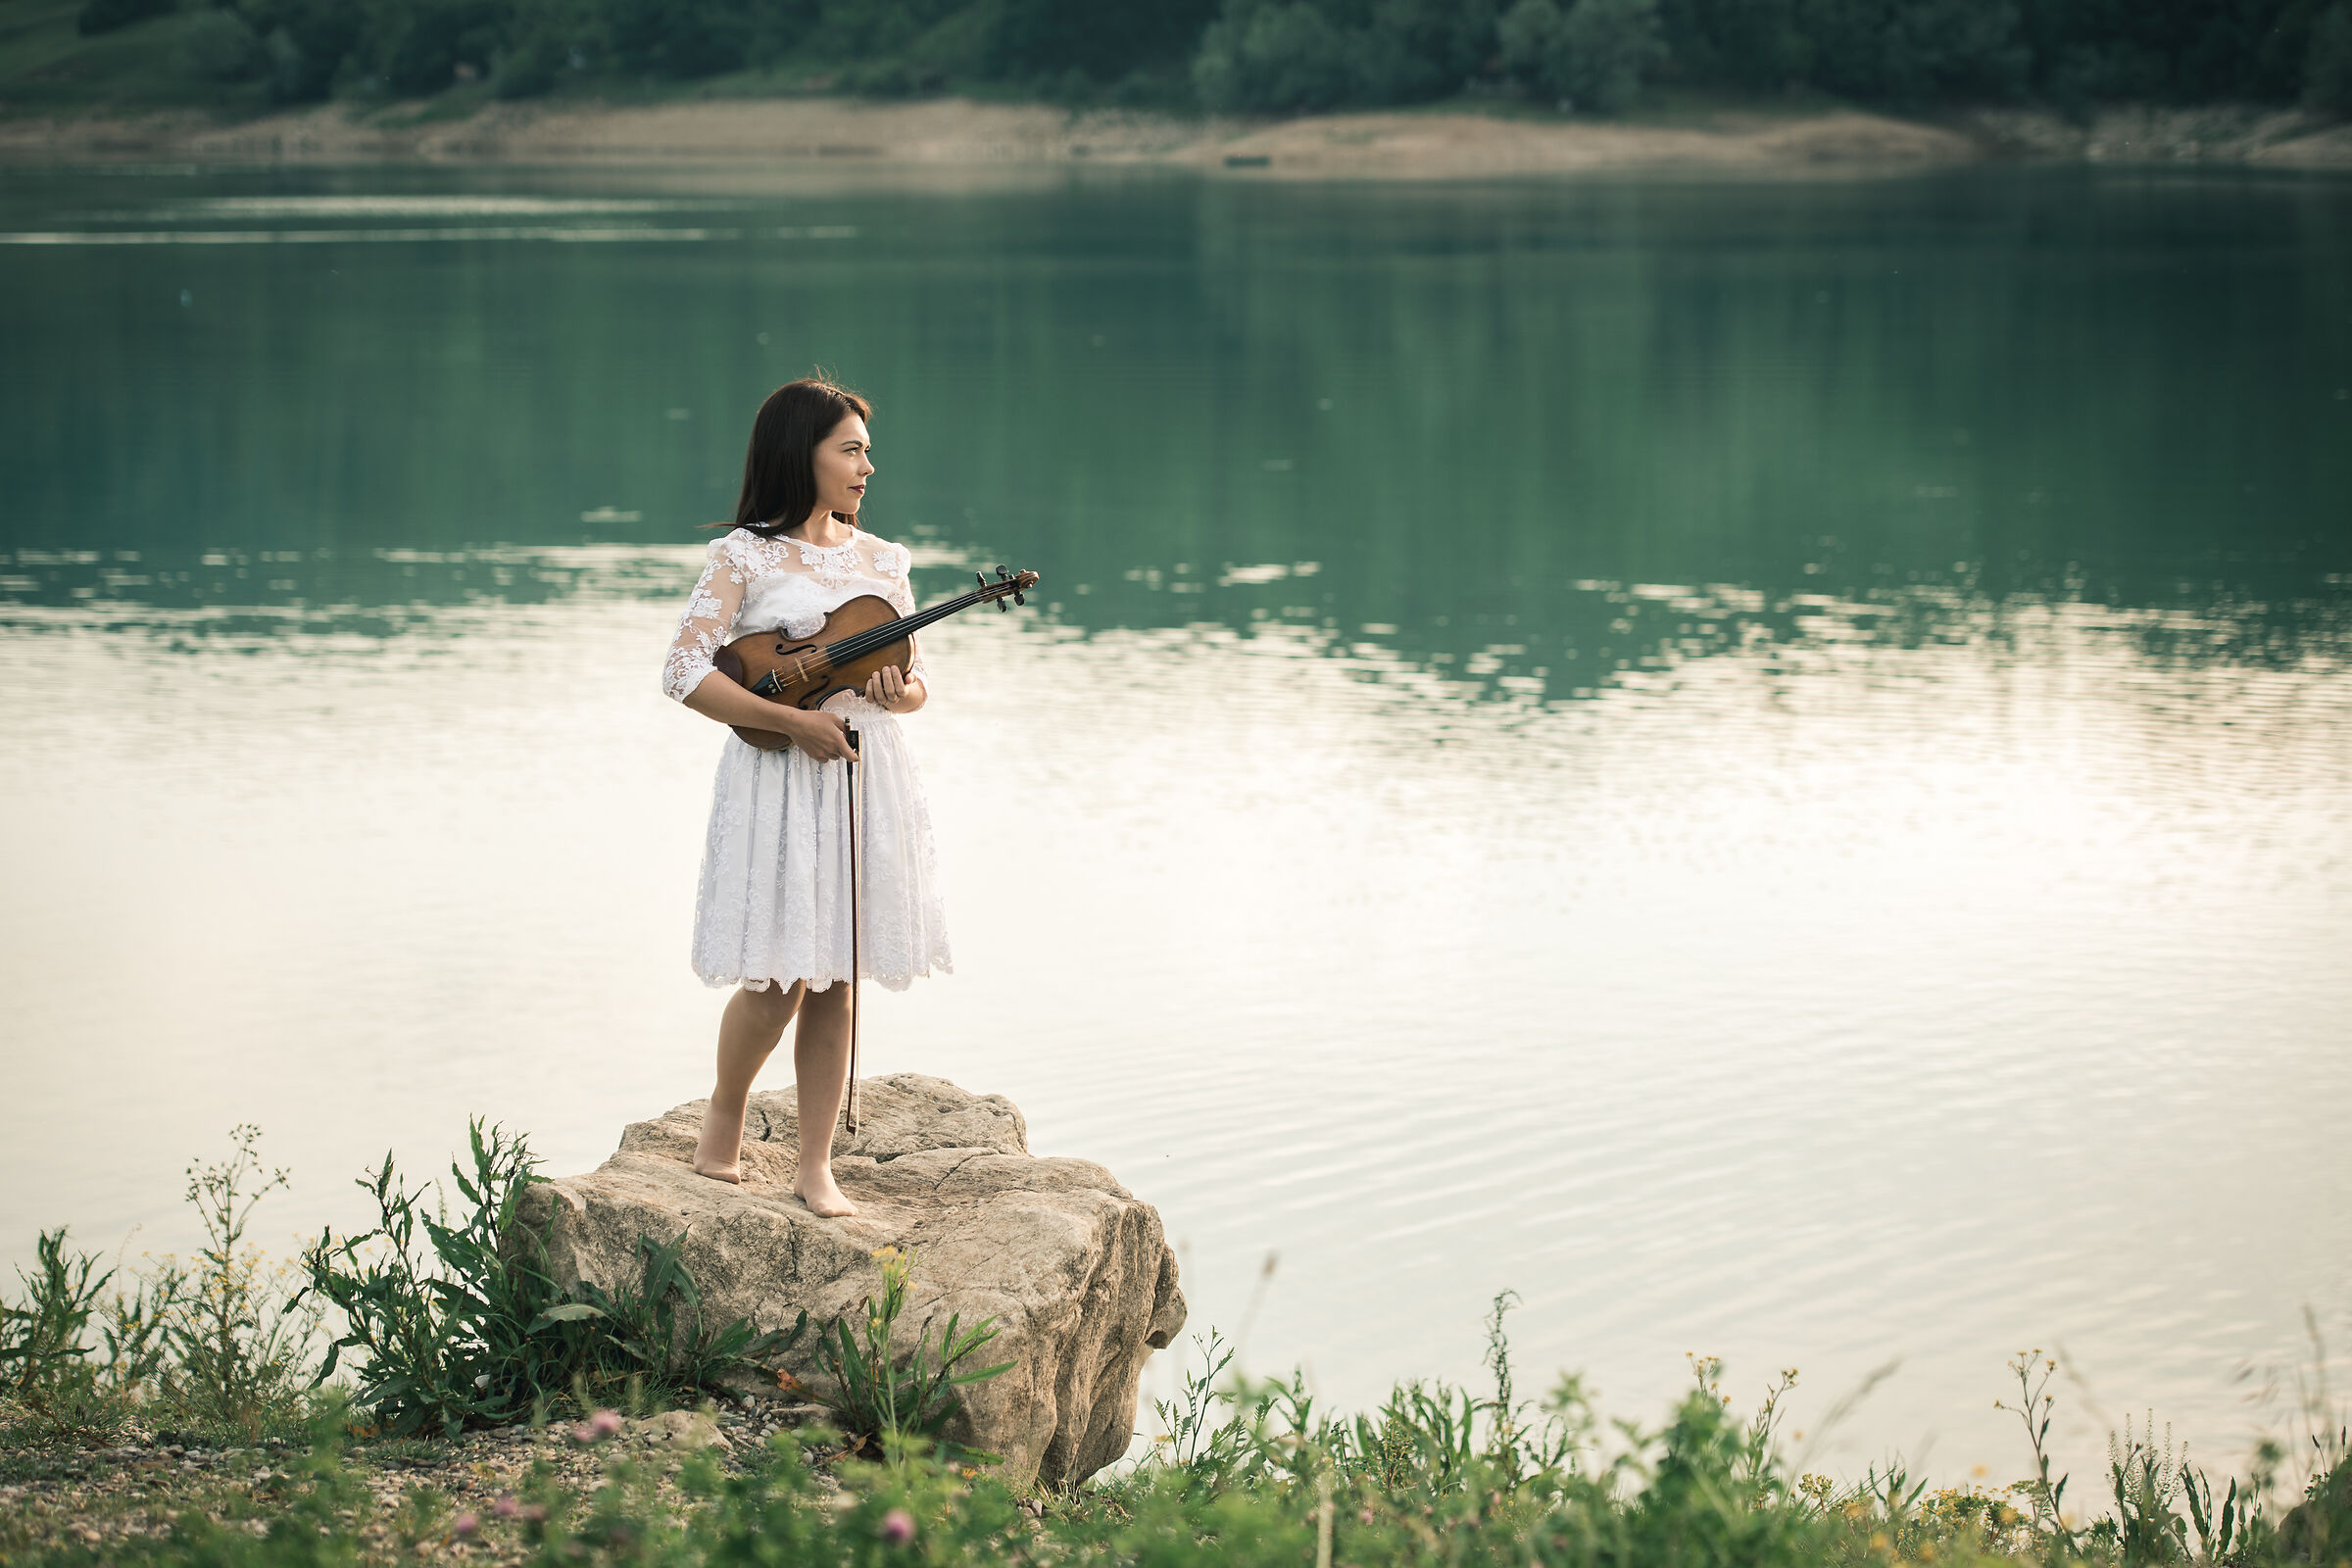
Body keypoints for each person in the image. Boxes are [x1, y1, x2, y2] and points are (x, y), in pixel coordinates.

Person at [659, 377, 951, 1216]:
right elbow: (684, 673)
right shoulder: (743, 557)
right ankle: (725, 1116)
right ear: (804, 455)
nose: (868, 466)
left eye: (865, 449)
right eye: (850, 449)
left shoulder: (885, 562)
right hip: (781, 775)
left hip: (864, 772)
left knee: (838, 977)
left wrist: (899, 694)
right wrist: (789, 727)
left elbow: (917, 683)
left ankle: (814, 1165)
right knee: (779, 978)